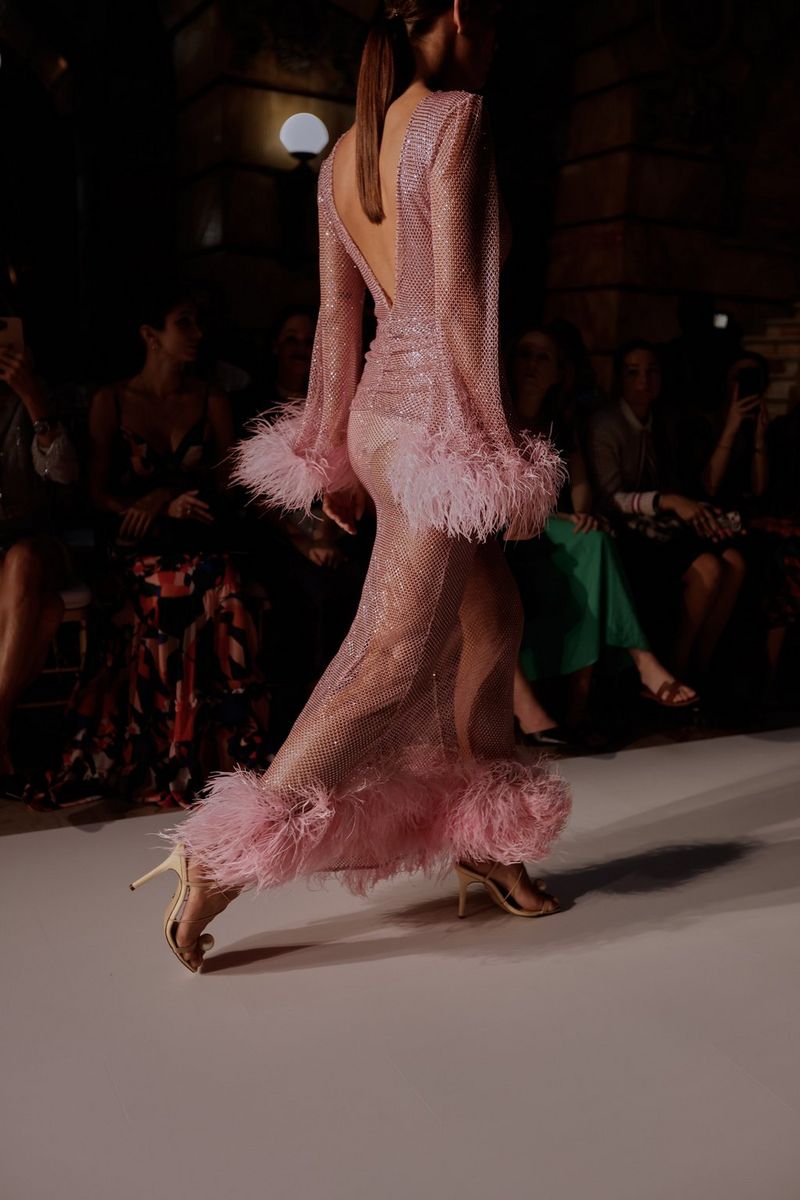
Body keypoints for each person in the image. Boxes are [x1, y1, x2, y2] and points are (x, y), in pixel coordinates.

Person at [131, 0, 572, 972]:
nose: (497, 38)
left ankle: (484, 840)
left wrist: (334, 443)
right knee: (390, 658)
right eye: (495, 20)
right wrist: (493, 441)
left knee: (491, 624)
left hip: (383, 414)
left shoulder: (338, 158)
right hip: (435, 420)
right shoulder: (454, 118)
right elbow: (458, 301)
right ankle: (212, 860)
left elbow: (336, 314)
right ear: (459, 15)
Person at [27, 282, 269, 811]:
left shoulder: (211, 397)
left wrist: (179, 496)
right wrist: (155, 502)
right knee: (163, 584)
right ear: (149, 335)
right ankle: (165, 747)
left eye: (199, 324)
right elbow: (94, 492)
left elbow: (231, 478)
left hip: (201, 536)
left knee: (223, 580)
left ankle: (220, 751)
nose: (198, 335)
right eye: (184, 322)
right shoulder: (112, 400)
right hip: (135, 545)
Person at [506, 327, 695, 747]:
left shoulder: (563, 422)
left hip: (550, 531)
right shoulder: (495, 413)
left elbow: (583, 490)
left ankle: (580, 703)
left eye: (543, 357)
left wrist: (583, 514)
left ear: (559, 372)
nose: (532, 364)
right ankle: (640, 662)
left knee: (594, 540)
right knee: (589, 541)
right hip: (502, 530)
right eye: (525, 354)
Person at [586, 340, 747, 682]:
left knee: (735, 562)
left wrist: (694, 509)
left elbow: (684, 484)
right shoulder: (606, 424)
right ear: (619, 378)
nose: (644, 380)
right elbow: (610, 498)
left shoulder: (665, 422)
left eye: (652, 371)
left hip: (664, 526)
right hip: (627, 529)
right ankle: (676, 670)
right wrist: (668, 501)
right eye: (633, 372)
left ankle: (701, 668)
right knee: (708, 568)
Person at [0, 329, 79, 772]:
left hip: (42, 545)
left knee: (23, 561)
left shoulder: (50, 395)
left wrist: (34, 401)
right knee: (45, 612)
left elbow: (64, 475)